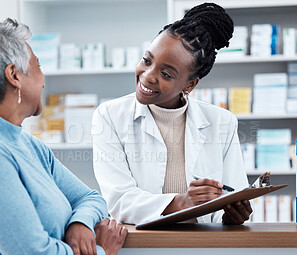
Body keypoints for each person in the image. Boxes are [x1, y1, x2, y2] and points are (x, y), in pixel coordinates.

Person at [0, 18, 127, 255]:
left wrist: (79, 224)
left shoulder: (27, 144)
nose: (43, 80)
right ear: (14, 75)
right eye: (38, 66)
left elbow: (91, 198)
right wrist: (100, 254)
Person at [92, 3, 252, 225]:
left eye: (166, 74)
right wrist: (182, 202)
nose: (148, 76)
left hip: (204, 248)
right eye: (147, 60)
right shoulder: (109, 116)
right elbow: (119, 201)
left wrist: (232, 215)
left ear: (190, 84)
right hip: (141, 249)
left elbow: (232, 195)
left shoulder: (221, 122)